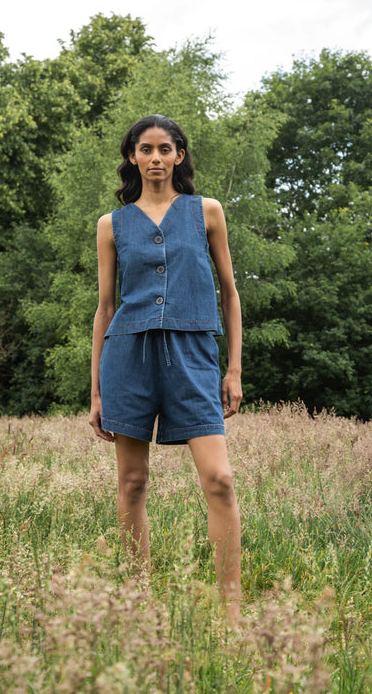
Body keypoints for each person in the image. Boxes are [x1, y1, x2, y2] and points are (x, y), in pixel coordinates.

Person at [89, 114, 242, 623]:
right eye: (145, 149)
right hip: (127, 357)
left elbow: (230, 294)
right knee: (132, 484)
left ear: (179, 155)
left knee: (219, 479)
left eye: (165, 149)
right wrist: (96, 393)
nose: (155, 158)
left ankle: (229, 611)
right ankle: (138, 605)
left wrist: (234, 368)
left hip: (194, 354)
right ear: (132, 156)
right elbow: (105, 308)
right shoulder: (112, 225)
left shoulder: (207, 213)